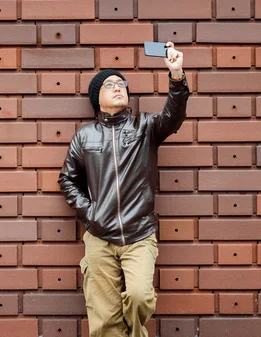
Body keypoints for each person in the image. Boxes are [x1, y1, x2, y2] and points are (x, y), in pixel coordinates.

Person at [58, 42, 189, 337]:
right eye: (109, 84)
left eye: (121, 83)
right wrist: (90, 213)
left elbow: (174, 115)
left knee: (141, 297)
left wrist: (176, 74)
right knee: (104, 320)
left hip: (139, 234)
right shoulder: (85, 136)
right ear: (97, 98)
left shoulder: (145, 127)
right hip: (99, 237)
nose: (118, 87)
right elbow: (68, 179)